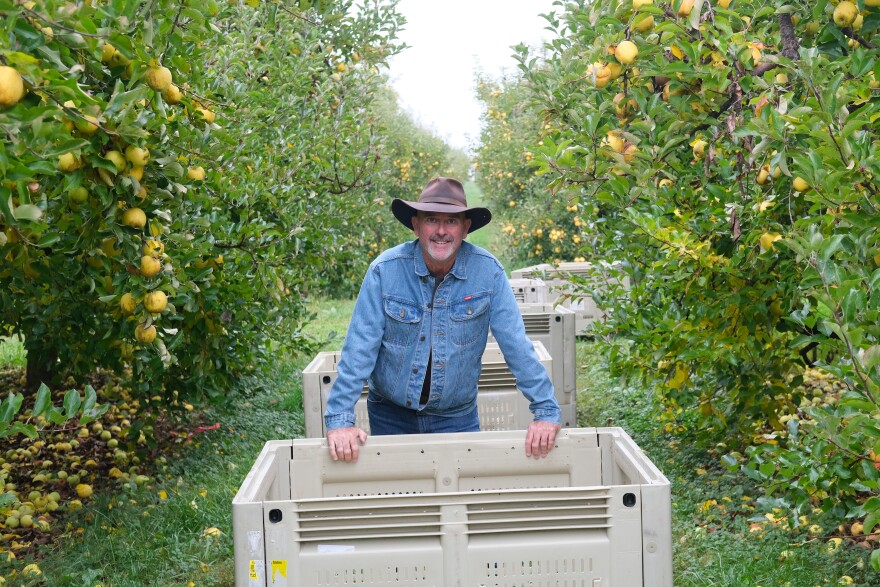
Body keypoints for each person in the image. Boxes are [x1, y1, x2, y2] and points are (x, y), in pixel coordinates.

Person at [324, 177, 561, 462]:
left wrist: (545, 411)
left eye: (451, 221)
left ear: (465, 228)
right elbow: (359, 349)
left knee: (460, 498)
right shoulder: (385, 272)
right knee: (399, 498)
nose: (440, 231)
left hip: (456, 417)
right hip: (391, 415)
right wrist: (340, 420)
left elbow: (517, 347)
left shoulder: (488, 274)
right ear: (416, 225)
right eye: (431, 220)